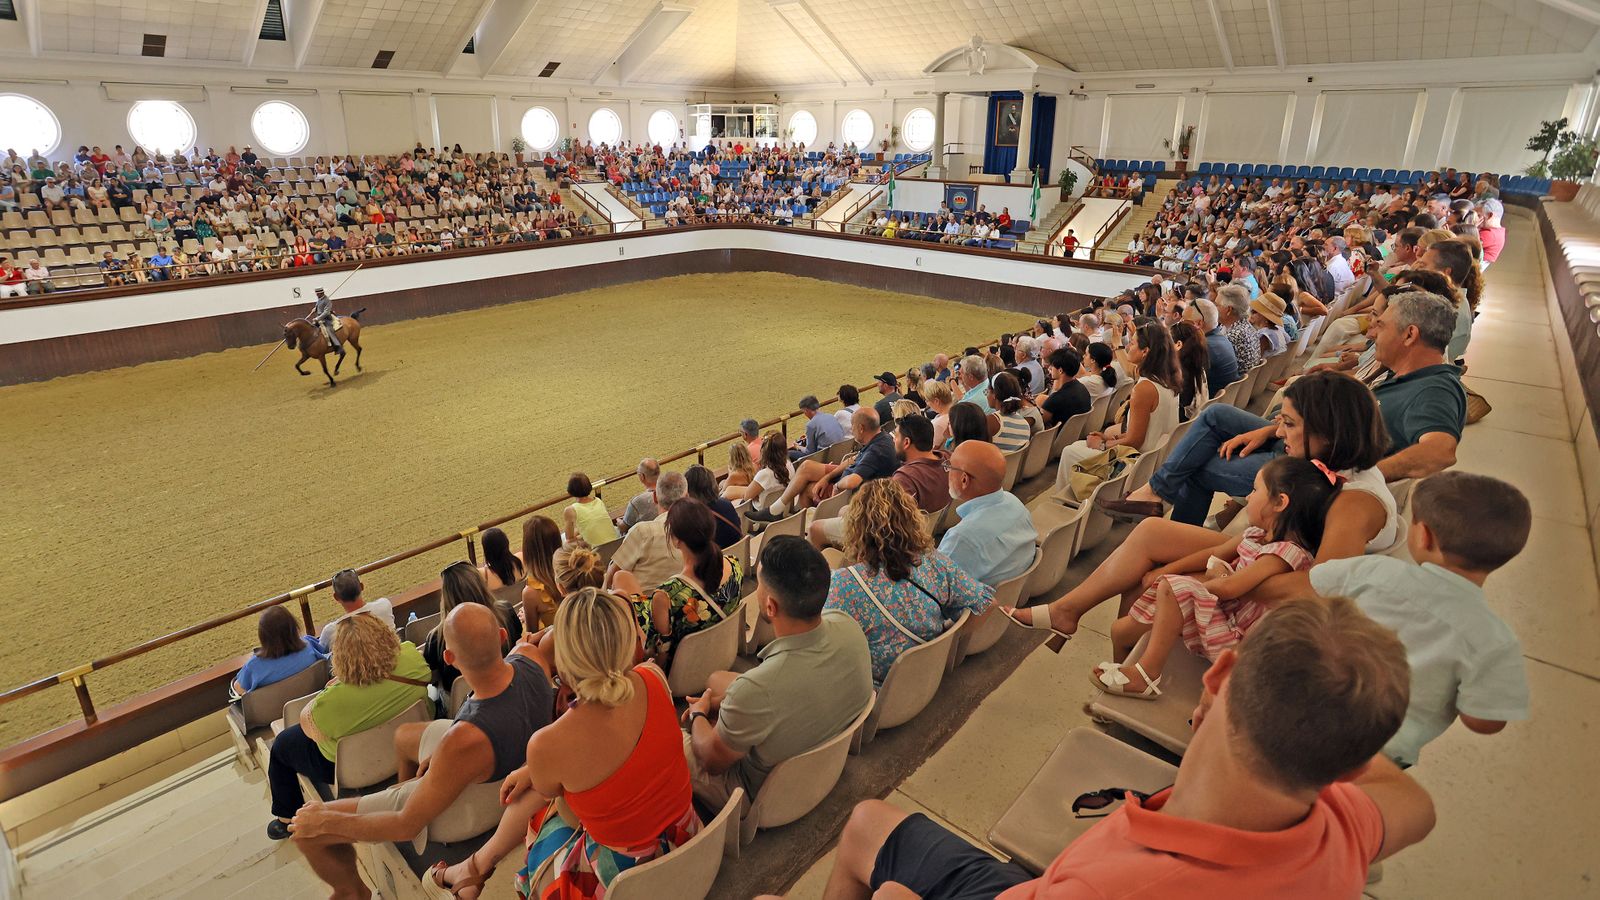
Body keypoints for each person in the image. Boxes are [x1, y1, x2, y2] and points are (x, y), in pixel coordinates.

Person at [819, 596, 1435, 899]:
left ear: (1216, 679)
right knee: (872, 821)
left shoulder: (1114, 887)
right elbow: (1415, 804)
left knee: (871, 854)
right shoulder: (1341, 830)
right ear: (1350, 767)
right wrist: (1326, 725)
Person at [1014, 372, 1396, 641]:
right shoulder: (1330, 461)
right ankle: (1069, 611)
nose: (1280, 433)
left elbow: (1321, 591)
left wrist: (1223, 583)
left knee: (1150, 577)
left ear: (1327, 432)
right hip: (1271, 554)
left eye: (1289, 425)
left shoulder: (1355, 503)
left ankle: (1133, 660)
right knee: (1149, 534)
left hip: (1282, 592)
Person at [426, 589, 702, 900]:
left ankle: (473, 870)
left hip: (631, 878)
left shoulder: (548, 744)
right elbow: (611, 739)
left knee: (544, 813)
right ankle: (472, 868)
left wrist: (534, 768)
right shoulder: (653, 676)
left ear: (566, 655)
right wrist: (533, 768)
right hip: (689, 840)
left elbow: (562, 800)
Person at [290, 604, 555, 899]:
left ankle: (351, 893)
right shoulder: (531, 657)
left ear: (450, 658)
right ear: (504, 636)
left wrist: (329, 821)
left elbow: (406, 824)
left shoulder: (462, 740)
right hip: (501, 769)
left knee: (306, 830)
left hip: (464, 809)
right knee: (406, 736)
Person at [1286, 471, 1531, 767]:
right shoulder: (1495, 639)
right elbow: (1483, 720)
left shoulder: (1374, 572)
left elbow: (1313, 583)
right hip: (1381, 755)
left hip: (1310, 713)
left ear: (1423, 534)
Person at [1095, 457, 1339, 699]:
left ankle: (1146, 675)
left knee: (1174, 588)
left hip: (1235, 634)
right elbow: (1213, 555)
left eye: (1255, 491)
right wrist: (1166, 569)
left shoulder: (1286, 553)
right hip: (1221, 614)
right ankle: (1120, 687)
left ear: (1279, 503)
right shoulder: (1256, 534)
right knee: (1120, 631)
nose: (1249, 497)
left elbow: (1231, 587)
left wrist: (1206, 579)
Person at [683, 536, 873, 807]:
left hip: (761, 796)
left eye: (759, 585)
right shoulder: (848, 626)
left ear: (771, 606)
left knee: (671, 740)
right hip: (821, 764)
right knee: (716, 681)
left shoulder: (756, 691)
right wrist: (718, 702)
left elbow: (711, 761)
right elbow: (767, 694)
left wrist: (699, 713)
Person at [265, 615, 431, 840]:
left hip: (352, 768)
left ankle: (286, 819)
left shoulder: (331, 702)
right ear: (386, 637)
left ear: (341, 656)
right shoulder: (412, 657)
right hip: (415, 745)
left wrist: (329, 689)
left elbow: (309, 726)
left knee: (282, 744)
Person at [825, 480, 994, 683]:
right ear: (911, 520)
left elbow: (825, 649)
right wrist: (947, 640)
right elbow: (986, 604)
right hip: (927, 675)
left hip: (875, 689)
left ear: (855, 529)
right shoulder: (934, 561)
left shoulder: (844, 585)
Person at [614, 500, 743, 667]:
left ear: (676, 541)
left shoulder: (667, 595)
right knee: (623, 577)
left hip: (681, 671)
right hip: (722, 654)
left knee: (621, 586)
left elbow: (661, 655)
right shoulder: (734, 564)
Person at [1053, 323, 1180, 487]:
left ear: (1145, 351)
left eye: (1132, 343)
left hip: (1135, 463)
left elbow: (1135, 441)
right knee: (1080, 445)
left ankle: (1065, 503)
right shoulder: (1168, 379)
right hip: (1152, 460)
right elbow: (1142, 432)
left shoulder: (1145, 388)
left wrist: (1103, 445)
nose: (1128, 346)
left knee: (1070, 451)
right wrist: (1109, 437)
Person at [808, 414, 946, 550]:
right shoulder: (947, 459)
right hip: (928, 529)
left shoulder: (905, 478)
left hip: (893, 541)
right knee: (845, 510)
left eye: (896, 436)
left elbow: (885, 524)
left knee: (815, 528)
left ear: (906, 442)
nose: (893, 441)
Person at [749, 408, 897, 521]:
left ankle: (805, 525)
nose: (851, 429)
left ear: (861, 428)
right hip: (852, 479)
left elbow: (853, 481)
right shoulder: (881, 438)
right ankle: (779, 510)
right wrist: (826, 478)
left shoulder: (876, 450)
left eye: (852, 425)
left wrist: (837, 485)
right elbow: (852, 460)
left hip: (851, 494)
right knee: (806, 466)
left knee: (806, 488)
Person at [938, 440, 1037, 585]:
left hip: (978, 606)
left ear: (964, 480)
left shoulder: (961, 538)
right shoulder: (1015, 503)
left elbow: (934, 587)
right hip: (1011, 596)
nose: (947, 471)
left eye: (950, 467)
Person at [423, 561, 524, 695]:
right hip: (511, 688)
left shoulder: (436, 639)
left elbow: (430, 678)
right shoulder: (506, 612)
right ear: (480, 585)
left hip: (459, 707)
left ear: (446, 597)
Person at [607, 470, 688, 589]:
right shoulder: (699, 527)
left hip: (642, 604)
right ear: (687, 497)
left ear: (655, 497)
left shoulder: (642, 532)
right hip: (686, 601)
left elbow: (611, 578)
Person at [232, 606, 328, 695]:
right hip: (312, 704)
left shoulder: (253, 666)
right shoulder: (309, 645)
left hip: (272, 712)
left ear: (263, 637)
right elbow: (324, 654)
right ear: (294, 627)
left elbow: (237, 690)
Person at [315, 569, 394, 651]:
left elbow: (322, 656)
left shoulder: (330, 631)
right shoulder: (384, 606)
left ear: (336, 597)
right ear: (361, 587)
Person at [685, 464, 742, 549]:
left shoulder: (694, 519)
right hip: (737, 557)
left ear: (689, 490)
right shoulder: (726, 504)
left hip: (717, 561)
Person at [520, 515, 563, 629]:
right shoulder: (573, 568)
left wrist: (525, 619)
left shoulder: (530, 593)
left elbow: (533, 635)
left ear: (528, 550)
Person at [1036, 347, 1091, 428]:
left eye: (1052, 366)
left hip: (1057, 438)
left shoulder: (1057, 398)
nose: (1049, 368)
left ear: (1060, 370)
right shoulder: (1082, 388)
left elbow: (1037, 423)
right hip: (1075, 434)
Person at [562, 472, 620, 547]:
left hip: (596, 552)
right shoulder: (598, 501)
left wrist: (579, 535)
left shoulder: (570, 510)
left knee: (564, 540)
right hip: (615, 544)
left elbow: (569, 539)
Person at [986, 372, 1033, 452]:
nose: (986, 396)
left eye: (987, 392)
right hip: (1015, 464)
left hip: (997, 463)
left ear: (994, 394)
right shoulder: (1024, 423)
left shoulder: (991, 421)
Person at [792, 394, 846, 461]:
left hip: (825, 458)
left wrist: (798, 447)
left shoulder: (811, 425)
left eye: (804, 412)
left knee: (789, 454)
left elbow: (809, 452)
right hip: (840, 453)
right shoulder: (831, 416)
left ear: (806, 410)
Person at [478, 526, 525, 599]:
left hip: (501, 610)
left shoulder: (482, 574)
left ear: (486, 550)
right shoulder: (521, 558)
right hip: (522, 605)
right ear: (506, 543)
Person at [619, 458, 661, 534]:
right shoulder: (672, 489)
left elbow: (623, 528)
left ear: (642, 476)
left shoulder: (638, 501)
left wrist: (618, 521)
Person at [310, 287, 342, 351]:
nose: (317, 295)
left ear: (322, 293)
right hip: (319, 317)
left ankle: (337, 346)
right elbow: (317, 306)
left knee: (329, 330)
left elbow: (326, 312)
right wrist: (315, 309)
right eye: (316, 294)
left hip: (326, 318)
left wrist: (317, 318)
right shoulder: (319, 299)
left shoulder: (327, 301)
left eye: (318, 294)